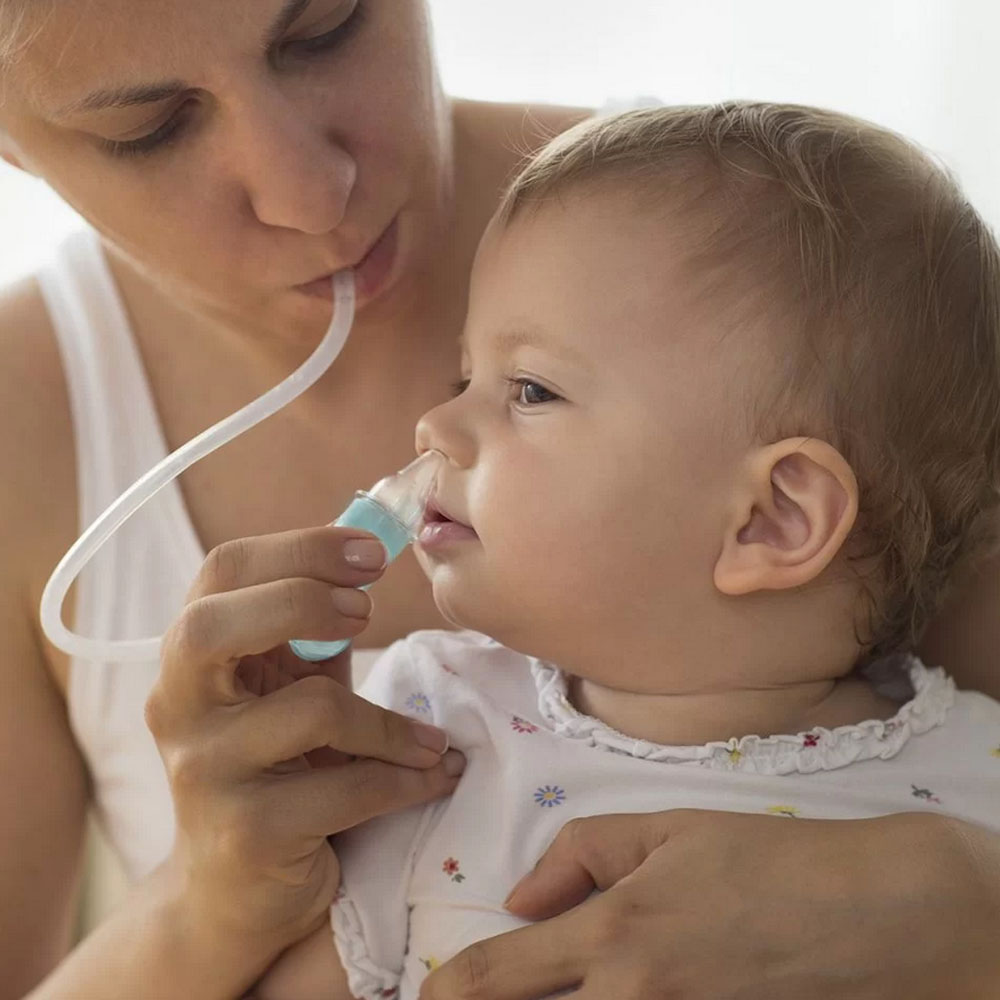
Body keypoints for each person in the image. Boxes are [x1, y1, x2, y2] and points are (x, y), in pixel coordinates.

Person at [0, 2, 995, 998]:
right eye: (148, 126)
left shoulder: (829, 293)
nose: (310, 193)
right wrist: (208, 903)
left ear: (776, 518)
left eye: (325, 28)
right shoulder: (435, 729)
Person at [246, 101, 1000, 999]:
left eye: (530, 389)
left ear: (772, 520)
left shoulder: (976, 781)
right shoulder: (425, 728)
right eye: (466, 376)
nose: (436, 423)